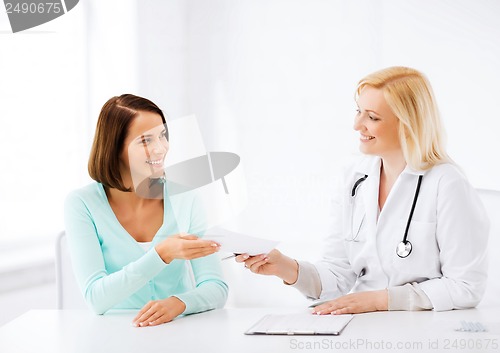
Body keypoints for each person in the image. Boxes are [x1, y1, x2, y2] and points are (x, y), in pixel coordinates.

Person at [237, 66, 489, 313]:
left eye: (372, 117)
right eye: (358, 111)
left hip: (422, 330)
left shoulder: (447, 183)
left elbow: (466, 287)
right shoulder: (354, 179)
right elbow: (336, 275)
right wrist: (284, 267)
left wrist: (382, 300)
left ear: (407, 124)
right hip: (364, 326)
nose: (357, 125)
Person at [64, 94, 228, 327]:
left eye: (162, 136)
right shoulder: (82, 204)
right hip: (114, 334)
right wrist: (161, 254)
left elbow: (216, 287)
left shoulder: (186, 198)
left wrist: (179, 303)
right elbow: (95, 298)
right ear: (115, 146)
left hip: (179, 330)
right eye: (145, 140)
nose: (161, 148)